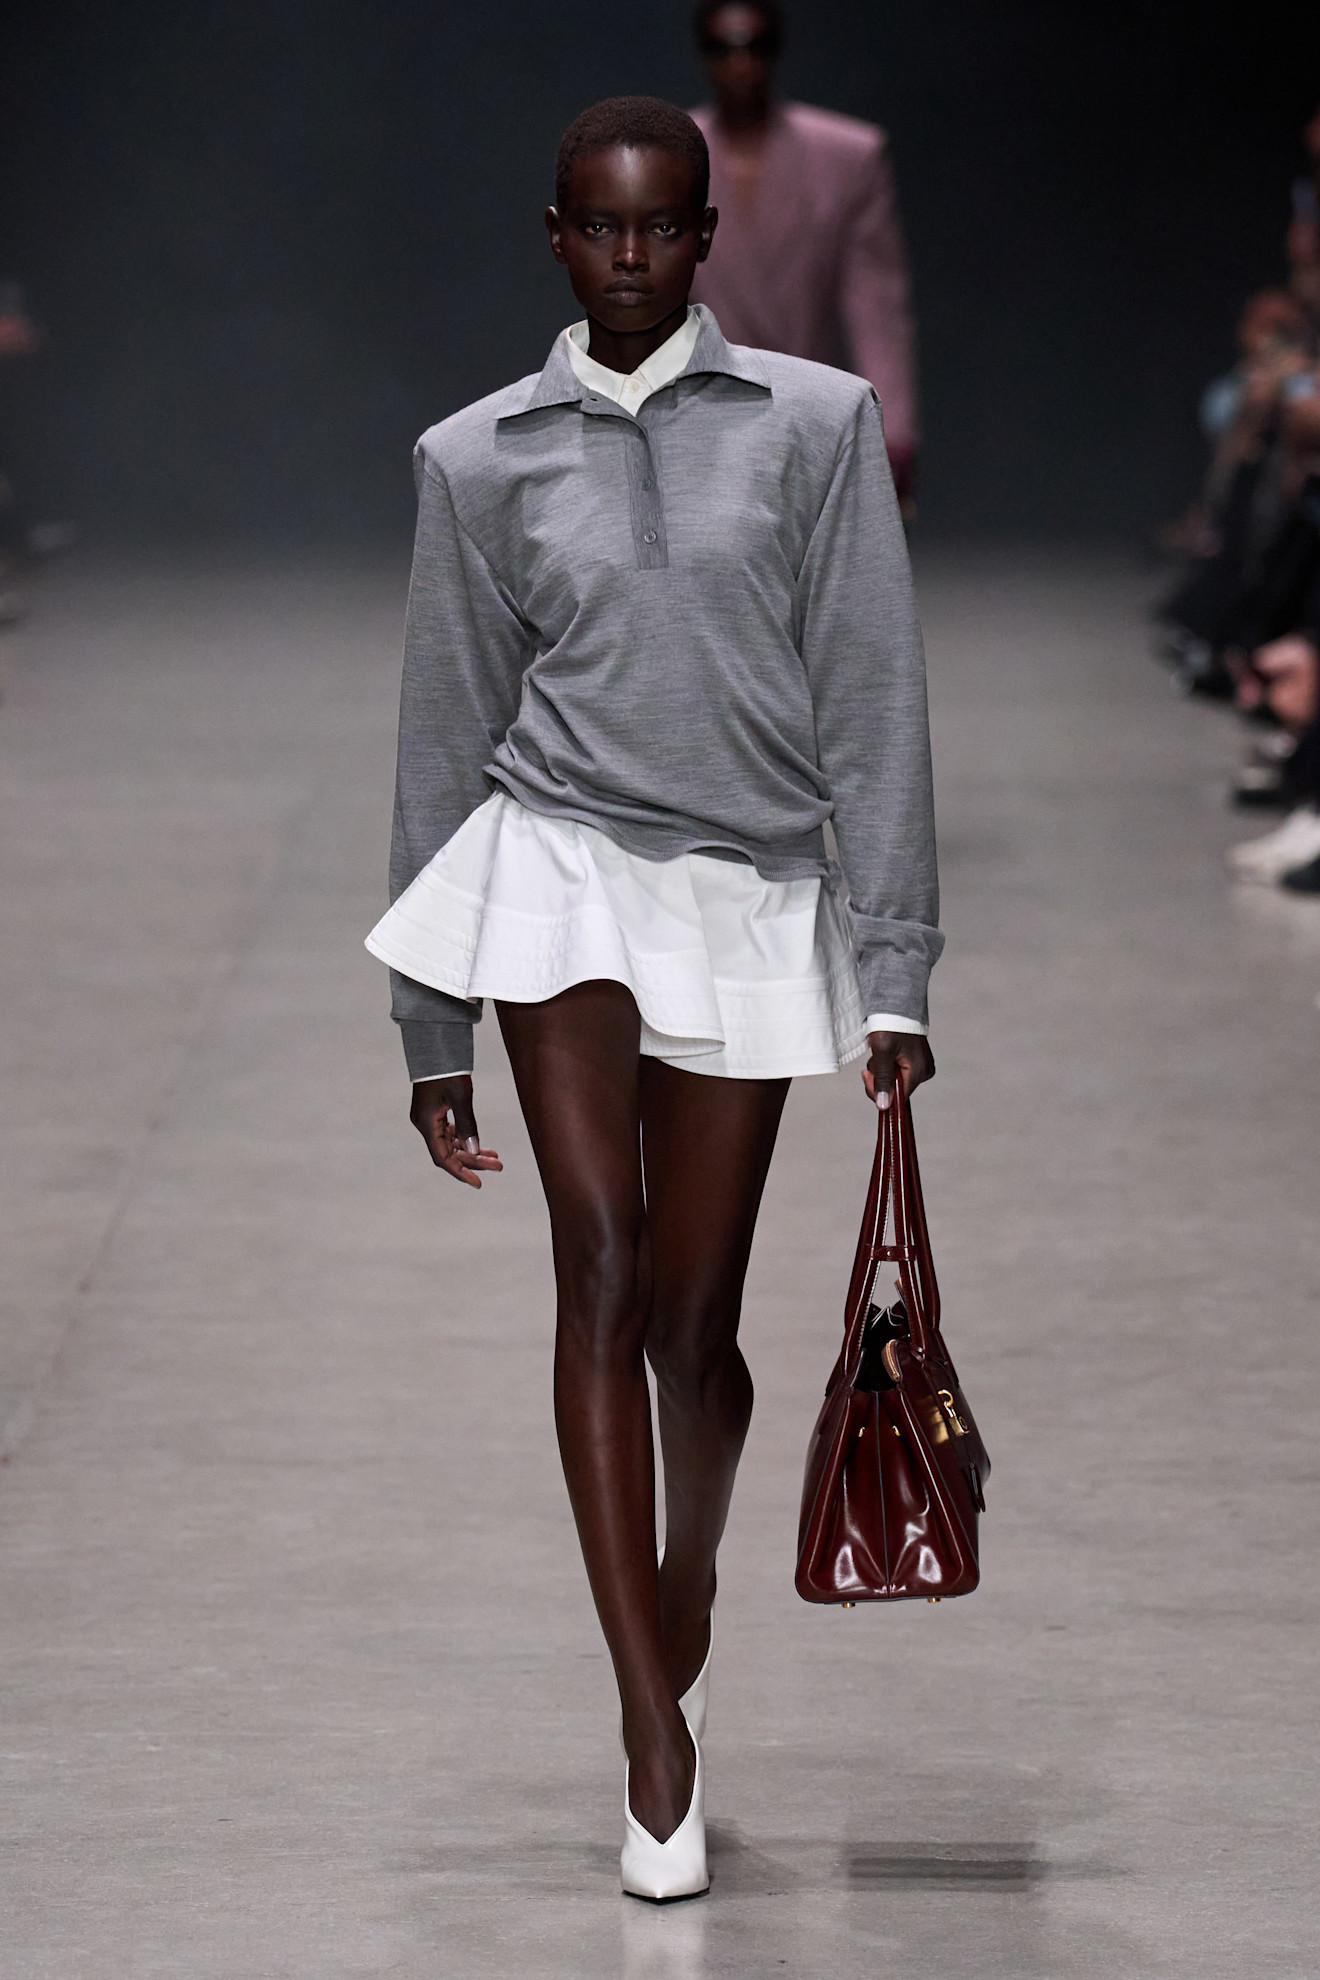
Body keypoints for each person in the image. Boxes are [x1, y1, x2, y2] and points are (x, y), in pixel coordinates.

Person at [365, 96, 941, 1901]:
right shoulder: (476, 457)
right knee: (599, 1266)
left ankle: (683, 1586)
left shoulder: (816, 426)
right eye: (599, 227)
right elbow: (447, 727)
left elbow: (874, 695)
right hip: (559, 868)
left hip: (751, 888)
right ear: (555, 234)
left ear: (704, 237)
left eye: (661, 227)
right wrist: (431, 1019)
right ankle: (652, 1733)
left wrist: (896, 969)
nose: (629, 256)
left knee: (696, 1325)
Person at [687, 2, 919, 505]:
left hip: (809, 412)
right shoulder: (665, 156)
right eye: (723, 48)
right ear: (704, 55)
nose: (740, 63)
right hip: (694, 418)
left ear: (776, 52)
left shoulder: (847, 156)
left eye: (755, 46)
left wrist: (893, 429)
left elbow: (876, 304)